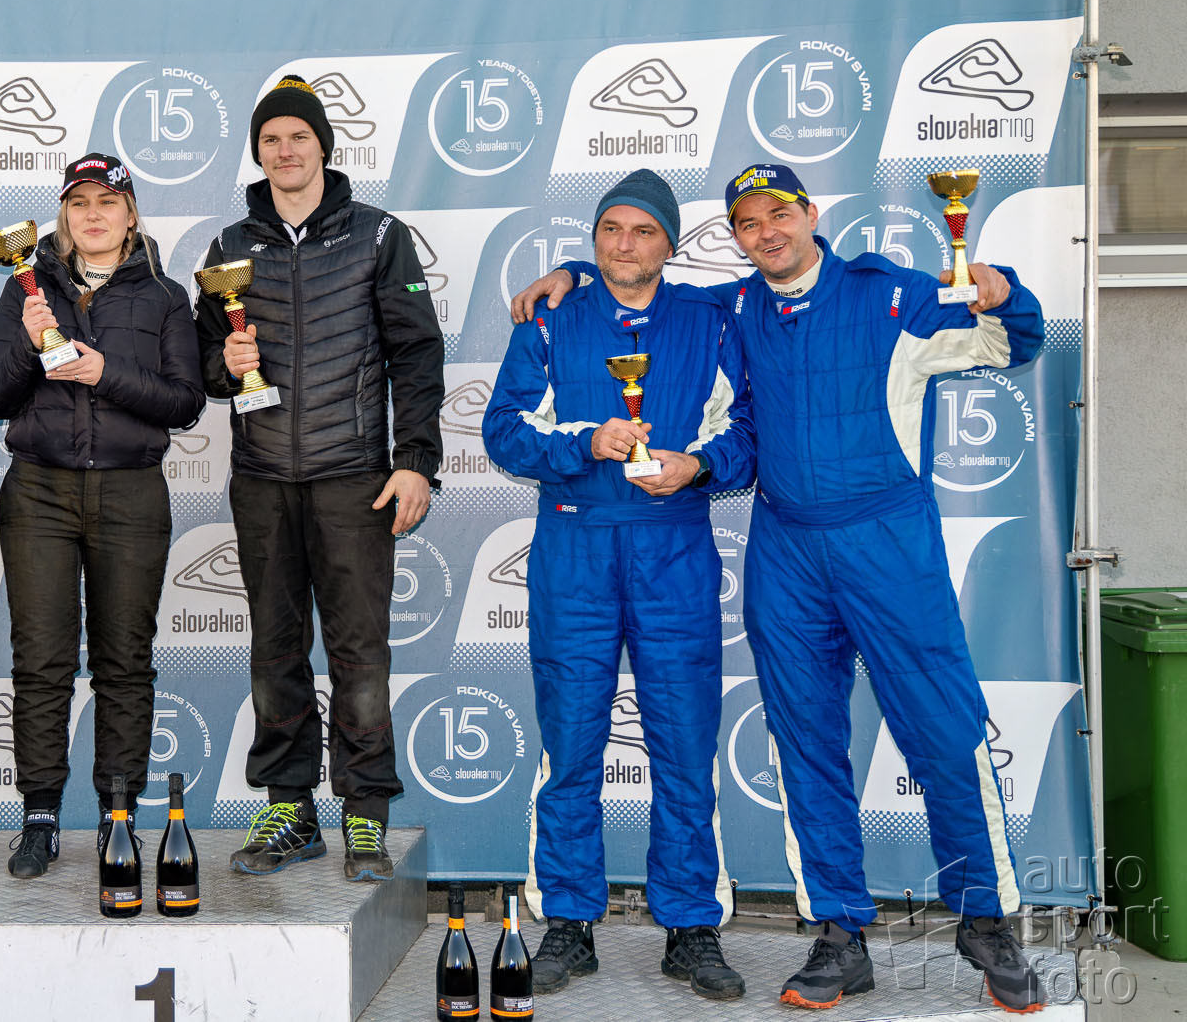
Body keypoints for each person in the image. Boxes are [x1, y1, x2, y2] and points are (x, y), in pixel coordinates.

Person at [509, 162, 1047, 1012]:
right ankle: (838, 930)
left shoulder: (891, 295)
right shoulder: (734, 307)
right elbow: (634, 288)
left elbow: (1012, 341)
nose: (766, 232)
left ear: (810, 215)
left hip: (886, 540)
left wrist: (1004, 290)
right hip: (786, 549)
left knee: (945, 728)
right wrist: (573, 273)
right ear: (734, 238)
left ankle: (986, 919)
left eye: (779, 215)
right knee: (805, 744)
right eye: (748, 222)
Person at [481, 169, 754, 1003]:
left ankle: (691, 925)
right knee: (570, 745)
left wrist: (698, 465)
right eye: (609, 229)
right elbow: (503, 430)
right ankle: (568, 919)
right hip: (577, 547)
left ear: (670, 243)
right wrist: (584, 443)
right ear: (593, 240)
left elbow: (748, 434)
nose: (624, 244)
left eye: (642, 230)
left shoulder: (710, 320)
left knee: (684, 743)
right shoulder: (551, 317)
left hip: (675, 549)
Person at [193, 74, 446, 882]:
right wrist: (226, 361)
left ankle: (365, 812)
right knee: (275, 650)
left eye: (298, 136)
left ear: (324, 147)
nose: (285, 150)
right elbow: (202, 367)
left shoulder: (378, 235)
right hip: (262, 477)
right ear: (258, 152)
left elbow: (416, 354)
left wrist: (415, 461)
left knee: (360, 653)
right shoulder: (228, 247)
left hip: (353, 478)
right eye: (270, 139)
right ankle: (289, 808)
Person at [0, 154, 204, 877]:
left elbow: (185, 402)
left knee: (124, 661)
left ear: (131, 214)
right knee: (41, 658)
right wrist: (29, 344)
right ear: (64, 216)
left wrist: (105, 372)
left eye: (108, 201)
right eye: (79, 203)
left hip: (131, 492)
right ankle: (40, 815)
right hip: (39, 491)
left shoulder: (165, 296)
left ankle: (118, 813)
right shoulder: (28, 287)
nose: (93, 214)